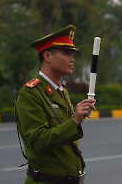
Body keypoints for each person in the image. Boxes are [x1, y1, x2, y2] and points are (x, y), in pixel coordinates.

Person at [15, 25, 96, 184]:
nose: (72, 59)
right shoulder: (30, 93)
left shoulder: (61, 91)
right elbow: (38, 141)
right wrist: (75, 121)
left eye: (72, 54)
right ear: (47, 56)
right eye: (66, 53)